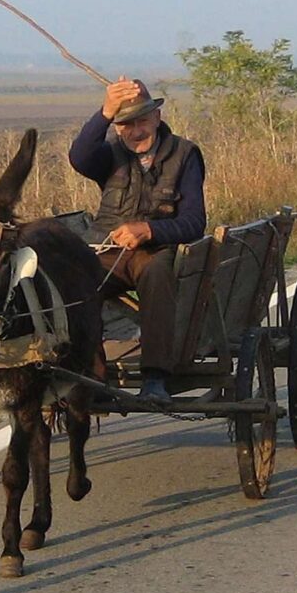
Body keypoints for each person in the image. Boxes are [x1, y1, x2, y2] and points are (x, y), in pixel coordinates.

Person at [69, 77, 207, 399]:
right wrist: (105, 111)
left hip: (155, 251)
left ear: (157, 118)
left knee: (158, 272)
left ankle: (156, 376)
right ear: (118, 128)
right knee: (77, 279)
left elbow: (194, 222)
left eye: (142, 121)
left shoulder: (185, 154)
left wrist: (150, 231)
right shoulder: (108, 156)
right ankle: (93, 375)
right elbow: (79, 157)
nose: (136, 131)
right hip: (107, 250)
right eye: (126, 124)